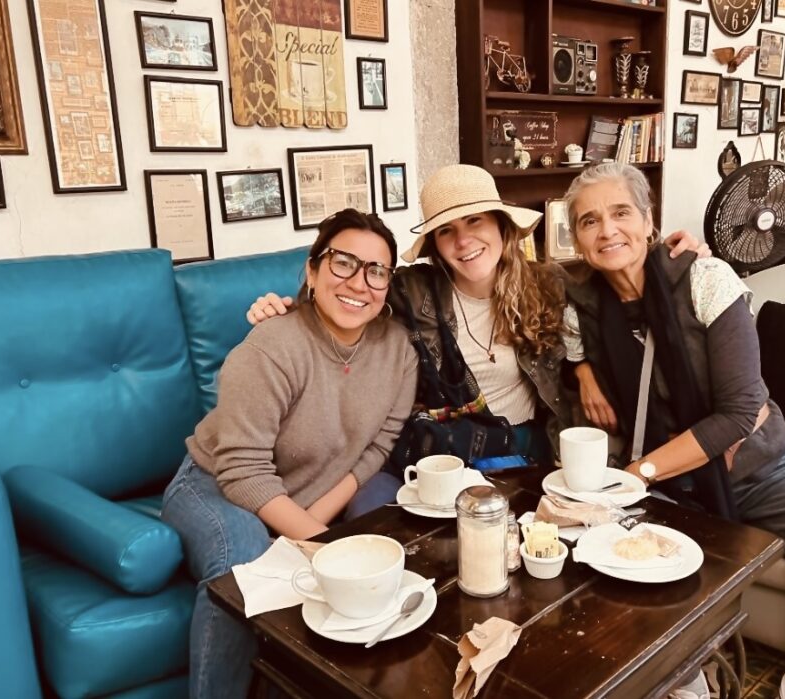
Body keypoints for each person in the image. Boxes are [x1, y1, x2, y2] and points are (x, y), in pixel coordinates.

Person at [562, 162, 785, 699]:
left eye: (620, 212)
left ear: (650, 221)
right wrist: (582, 374)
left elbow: (743, 410)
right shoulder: (580, 306)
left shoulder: (704, 277)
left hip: (753, 468)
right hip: (672, 491)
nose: (607, 231)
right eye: (588, 221)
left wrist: (638, 472)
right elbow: (568, 353)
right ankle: (690, 674)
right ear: (577, 240)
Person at [246, 164, 707, 479]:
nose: (463, 241)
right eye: (447, 230)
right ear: (435, 245)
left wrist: (674, 255)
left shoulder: (549, 283)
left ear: (502, 227)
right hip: (452, 454)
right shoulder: (413, 292)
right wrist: (290, 308)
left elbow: (617, 266)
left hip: (534, 450)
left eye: (475, 222)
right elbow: (349, 293)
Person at [162, 209, 418, 699]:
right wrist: (322, 541)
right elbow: (241, 470)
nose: (358, 283)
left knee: (384, 536)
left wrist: (309, 528)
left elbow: (379, 447)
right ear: (312, 270)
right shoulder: (271, 346)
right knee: (244, 565)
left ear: (388, 285)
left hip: (309, 491)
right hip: (215, 483)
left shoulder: (399, 352)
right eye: (343, 263)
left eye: (376, 271)